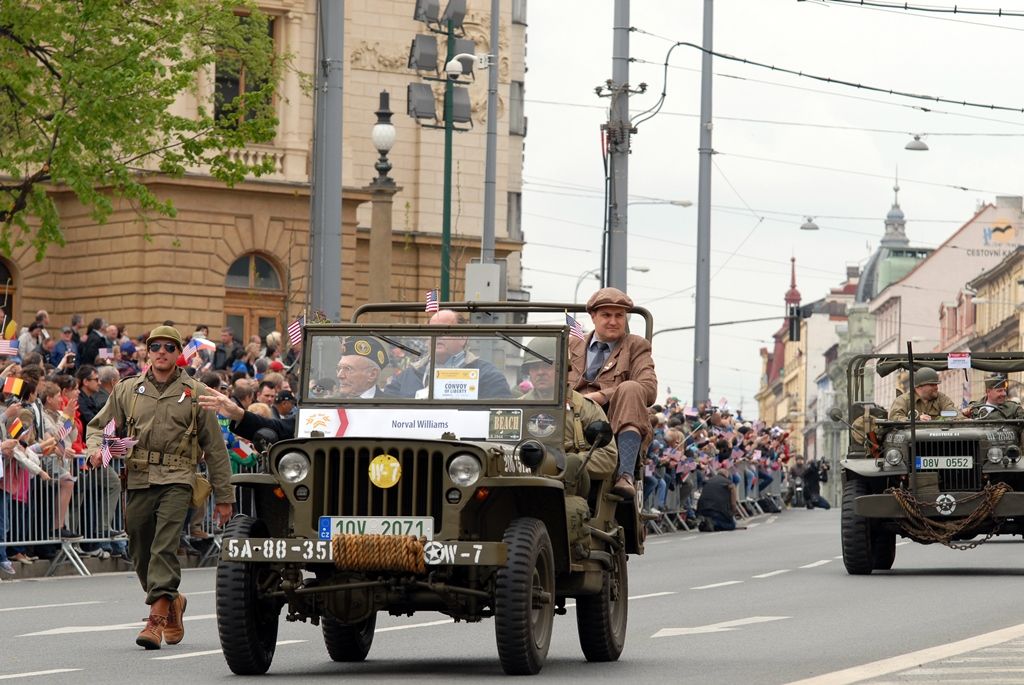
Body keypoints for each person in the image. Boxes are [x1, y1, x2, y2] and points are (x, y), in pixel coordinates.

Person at [86, 326, 234, 650]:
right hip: (138, 477)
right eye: (156, 346)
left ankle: (156, 620)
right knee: (138, 547)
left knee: (164, 546)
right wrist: (96, 450)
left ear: (178, 352)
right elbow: (99, 426)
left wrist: (225, 496)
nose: (162, 351)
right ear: (148, 352)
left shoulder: (196, 392)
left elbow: (216, 448)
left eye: (169, 347)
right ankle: (173, 600)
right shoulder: (127, 390)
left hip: (179, 477)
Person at [569, 287, 657, 499]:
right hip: (569, 420)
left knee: (632, 388)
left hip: (613, 423)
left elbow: (649, 389)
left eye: (619, 315)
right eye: (606, 315)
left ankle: (625, 475)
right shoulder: (571, 344)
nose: (613, 321)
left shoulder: (635, 346)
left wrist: (600, 397)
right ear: (593, 316)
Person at [381, 310, 512, 399]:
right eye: (431, 331)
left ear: (462, 337)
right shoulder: (406, 377)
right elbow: (386, 414)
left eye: (444, 331)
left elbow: (499, 420)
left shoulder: (488, 376)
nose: (437, 336)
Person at [888, 367, 957, 421]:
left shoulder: (941, 398)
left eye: (936, 384)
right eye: (932, 385)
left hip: (938, 437)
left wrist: (960, 418)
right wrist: (915, 419)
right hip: (913, 437)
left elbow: (953, 412)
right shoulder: (903, 400)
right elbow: (894, 417)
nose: (936, 387)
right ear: (920, 386)